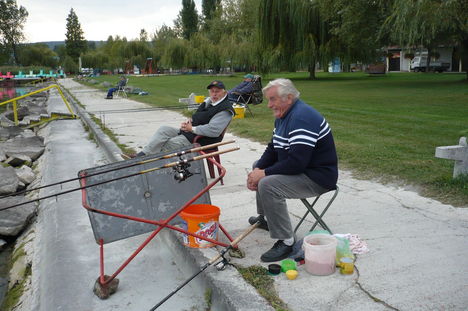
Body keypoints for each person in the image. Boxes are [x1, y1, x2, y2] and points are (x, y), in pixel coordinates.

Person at [246, 78, 338, 262]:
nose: (268, 105)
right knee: (258, 165)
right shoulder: (284, 115)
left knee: (268, 183)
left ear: (288, 98)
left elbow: (297, 163)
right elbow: (273, 148)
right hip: (303, 169)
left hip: (317, 177)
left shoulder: (302, 117)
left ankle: (286, 241)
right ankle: (267, 219)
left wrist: (262, 175)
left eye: (272, 99)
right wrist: (257, 170)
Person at [123, 80, 234, 158]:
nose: (214, 94)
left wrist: (192, 129)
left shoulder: (225, 110)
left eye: (217, 91)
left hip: (202, 139)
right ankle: (142, 155)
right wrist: (189, 121)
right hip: (191, 133)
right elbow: (200, 116)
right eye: (212, 91)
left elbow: (213, 130)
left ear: (224, 92)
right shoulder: (209, 102)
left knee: (169, 143)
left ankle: (147, 162)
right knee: (164, 130)